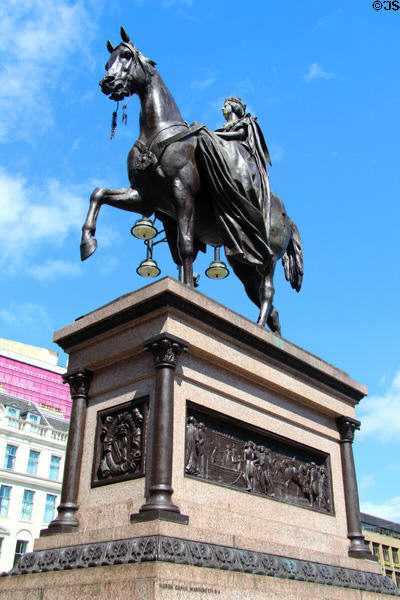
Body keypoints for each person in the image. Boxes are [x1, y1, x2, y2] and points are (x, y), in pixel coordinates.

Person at [214, 96, 272, 241]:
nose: (222, 109)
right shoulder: (221, 128)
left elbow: (240, 135)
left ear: (233, 107)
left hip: (242, 156)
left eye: (225, 105)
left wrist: (216, 135)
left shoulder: (245, 122)